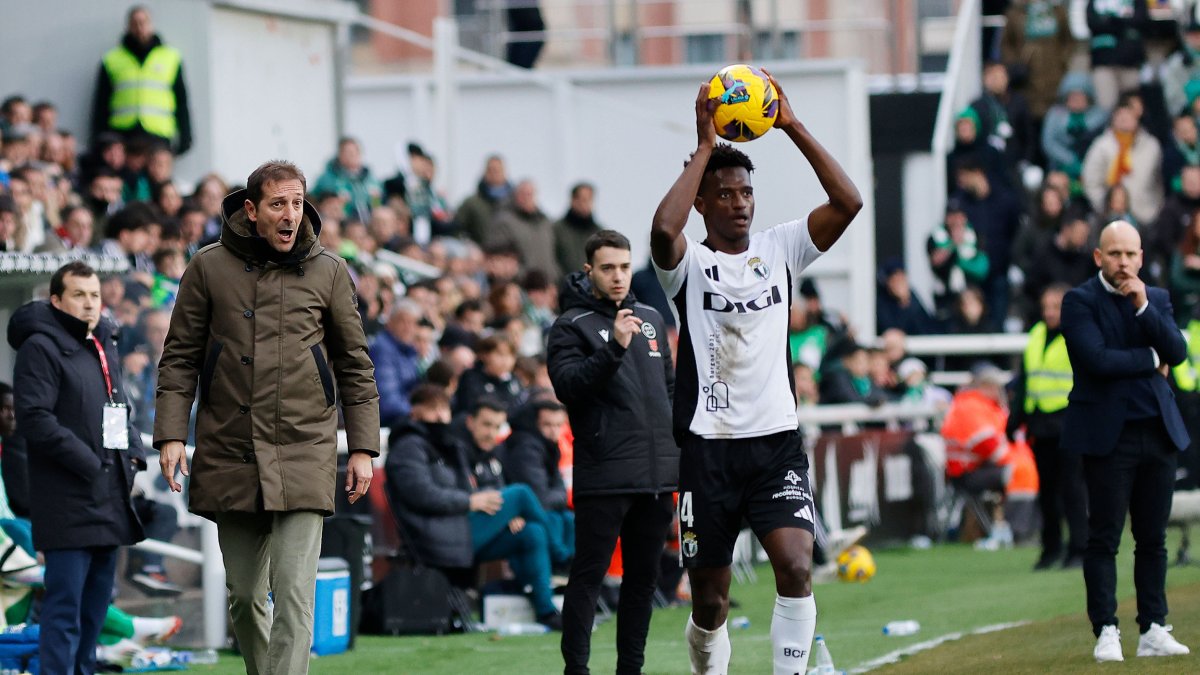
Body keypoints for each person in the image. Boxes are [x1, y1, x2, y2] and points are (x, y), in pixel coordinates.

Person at [650, 74, 862, 675]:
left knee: (796, 567)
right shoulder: (690, 265)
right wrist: (705, 144)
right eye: (724, 194)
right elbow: (663, 232)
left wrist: (791, 124)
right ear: (703, 203)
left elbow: (849, 202)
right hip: (707, 451)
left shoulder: (783, 248)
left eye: (746, 192)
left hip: (775, 446)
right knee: (711, 603)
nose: (739, 202)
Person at [154, 160, 380, 674]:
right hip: (230, 451)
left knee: (294, 597)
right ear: (252, 209)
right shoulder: (207, 267)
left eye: (298, 204)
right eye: (278, 204)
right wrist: (170, 433)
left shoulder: (330, 270)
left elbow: (354, 366)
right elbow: (180, 357)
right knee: (245, 596)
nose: (290, 215)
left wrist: (363, 448)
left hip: (304, 450)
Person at [546, 229, 678, 674]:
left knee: (643, 583)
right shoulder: (571, 325)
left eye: (624, 266)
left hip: (657, 475)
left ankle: (631, 670)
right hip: (605, 474)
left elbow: (670, 390)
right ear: (590, 271)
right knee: (589, 577)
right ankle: (577, 671)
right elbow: (569, 387)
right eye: (607, 268)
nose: (618, 276)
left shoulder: (651, 318)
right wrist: (614, 347)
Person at [1060, 220, 1192, 662]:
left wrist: (1142, 310)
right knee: (1104, 538)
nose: (1124, 262)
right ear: (1099, 257)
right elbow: (1096, 360)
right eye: (1114, 254)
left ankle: (1153, 627)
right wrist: (1150, 357)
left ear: (1141, 257)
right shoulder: (1079, 301)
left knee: (1153, 539)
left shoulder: (1155, 299)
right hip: (1107, 438)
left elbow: (1178, 351)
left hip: (1157, 432)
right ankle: (1106, 629)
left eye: (1130, 254)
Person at [8, 261, 147, 674]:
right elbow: (34, 418)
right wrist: (90, 462)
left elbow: (118, 409)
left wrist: (133, 453)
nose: (90, 304)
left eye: (94, 295)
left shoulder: (105, 344)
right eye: (79, 295)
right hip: (67, 500)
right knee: (64, 609)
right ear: (56, 301)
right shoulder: (40, 347)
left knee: (95, 611)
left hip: (107, 496)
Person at [387, 390, 566, 629]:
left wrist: (504, 514)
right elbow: (421, 495)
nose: (440, 415)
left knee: (531, 532)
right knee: (521, 493)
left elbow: (472, 487)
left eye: (444, 408)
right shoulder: (408, 447)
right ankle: (562, 554)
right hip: (435, 535)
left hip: (459, 530)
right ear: (414, 412)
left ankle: (547, 611)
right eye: (432, 408)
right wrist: (469, 502)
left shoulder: (448, 445)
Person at [1008, 284, 1088, 570]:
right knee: (1047, 491)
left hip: (1069, 419)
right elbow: (1027, 380)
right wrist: (1015, 419)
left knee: (1073, 489)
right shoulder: (1036, 335)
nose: (1049, 312)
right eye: (1046, 307)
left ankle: (1079, 548)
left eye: (1055, 306)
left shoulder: (1077, 335)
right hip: (1041, 423)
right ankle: (1051, 547)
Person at [91, 5, 192, 155]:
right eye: (135, 23)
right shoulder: (112, 59)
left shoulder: (170, 57)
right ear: (128, 26)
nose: (140, 28)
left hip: (158, 133)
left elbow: (181, 100)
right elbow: (101, 102)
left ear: (151, 24)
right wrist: (99, 137)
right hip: (122, 134)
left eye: (143, 22)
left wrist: (185, 136)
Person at [553, 182, 603, 276]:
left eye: (589, 200)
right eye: (583, 199)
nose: (586, 204)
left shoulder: (599, 234)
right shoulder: (557, 229)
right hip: (564, 286)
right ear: (573, 200)